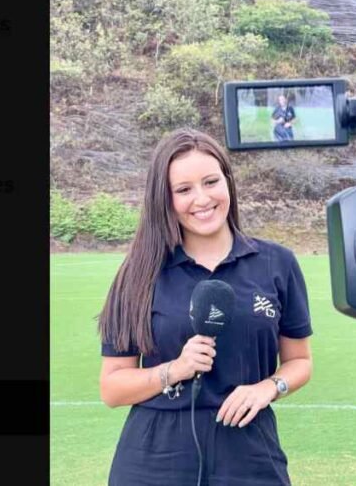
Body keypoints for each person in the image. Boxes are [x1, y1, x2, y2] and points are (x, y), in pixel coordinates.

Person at [98, 128, 313, 485]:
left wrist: (267, 387)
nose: (202, 199)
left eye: (211, 182)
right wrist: (174, 370)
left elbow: (300, 361)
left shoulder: (277, 263)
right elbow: (112, 387)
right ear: (165, 200)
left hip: (251, 455)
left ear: (228, 181)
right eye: (184, 189)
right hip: (153, 461)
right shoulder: (138, 273)